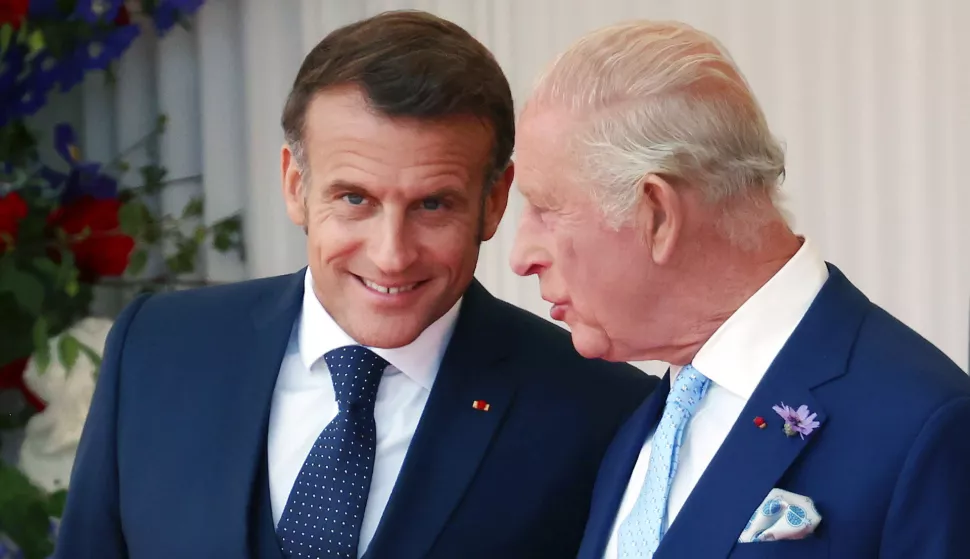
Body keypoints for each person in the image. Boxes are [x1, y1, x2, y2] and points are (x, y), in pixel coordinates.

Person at [54, 11, 657, 559]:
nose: (391, 255)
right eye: (354, 199)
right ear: (295, 185)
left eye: (433, 204)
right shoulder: (157, 348)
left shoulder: (603, 414)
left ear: (494, 202)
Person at [509, 19, 970, 559]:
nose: (520, 256)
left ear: (657, 214)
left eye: (546, 209)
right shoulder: (638, 425)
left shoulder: (924, 429)